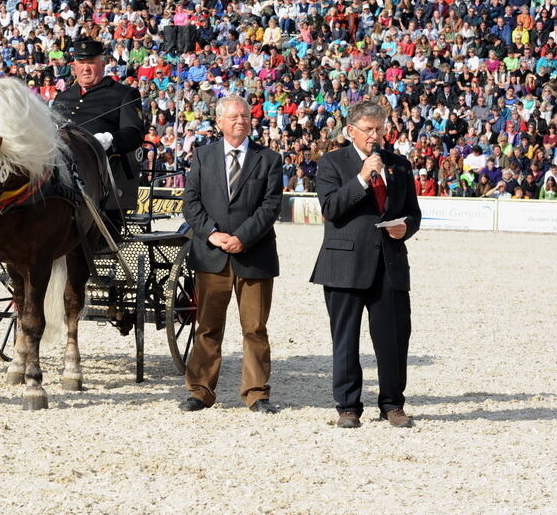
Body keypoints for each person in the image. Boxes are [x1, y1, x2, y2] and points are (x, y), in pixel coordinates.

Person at [310, 100, 422, 429]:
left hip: (390, 264)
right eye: (368, 130)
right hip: (344, 263)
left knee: (393, 338)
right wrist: (361, 178)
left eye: (379, 129)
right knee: (345, 339)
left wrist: (407, 228)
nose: (374, 136)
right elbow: (331, 208)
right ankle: (348, 406)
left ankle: (392, 403)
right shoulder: (331, 163)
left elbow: (413, 212)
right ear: (351, 132)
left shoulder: (400, 165)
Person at [179, 95, 283, 413]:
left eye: (245, 116)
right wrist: (213, 233)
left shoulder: (269, 159)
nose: (240, 121)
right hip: (212, 255)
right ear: (220, 122)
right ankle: (200, 391)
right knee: (208, 326)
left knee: (254, 328)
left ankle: (256, 393)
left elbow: (270, 206)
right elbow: (191, 203)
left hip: (254, 255)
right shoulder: (203, 156)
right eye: (233, 116)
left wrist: (243, 238)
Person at [51, 38, 144, 231]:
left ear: (102, 64)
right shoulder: (63, 96)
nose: (85, 68)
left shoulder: (123, 94)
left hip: (102, 172)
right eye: (81, 63)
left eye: (91, 62)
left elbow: (134, 133)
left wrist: (108, 139)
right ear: (74, 66)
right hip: (60, 171)